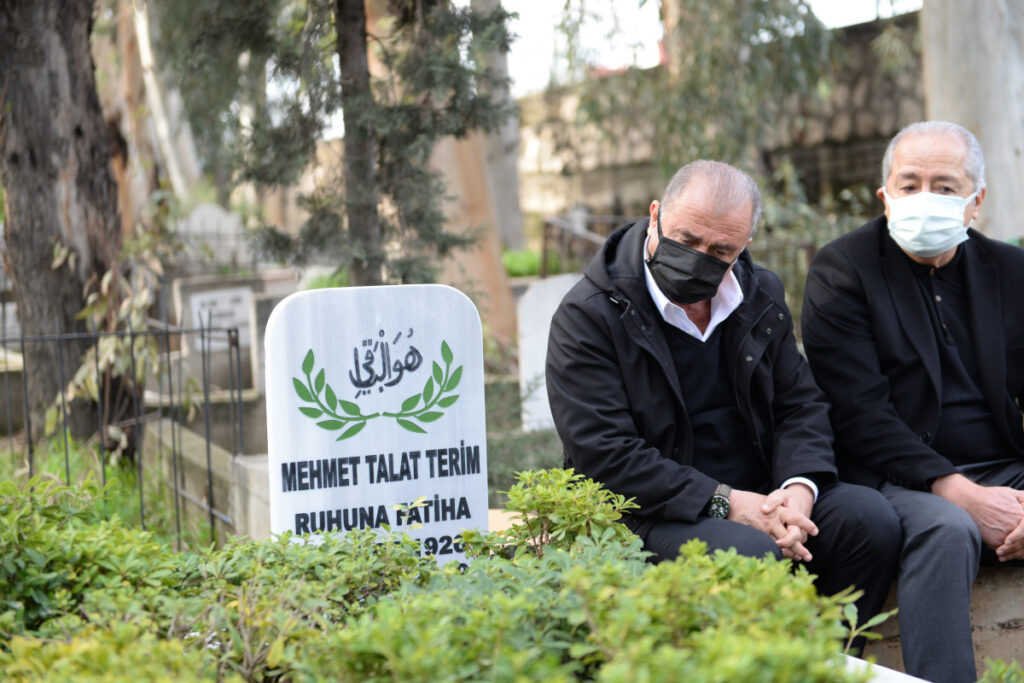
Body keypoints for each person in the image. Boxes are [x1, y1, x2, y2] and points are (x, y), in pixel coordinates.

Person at [546, 159, 900, 631]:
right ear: (654, 216)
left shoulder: (759, 294)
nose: (698, 257)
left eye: (720, 250)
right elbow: (606, 455)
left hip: (762, 490)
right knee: (747, 552)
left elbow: (800, 404)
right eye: (686, 240)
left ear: (744, 246)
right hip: (651, 510)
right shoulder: (589, 317)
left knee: (869, 521)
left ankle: (825, 661)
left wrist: (798, 491)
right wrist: (729, 503)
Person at [802, 120, 1024, 683]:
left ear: (976, 202)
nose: (926, 197)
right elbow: (859, 413)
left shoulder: (1012, 271)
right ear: (885, 196)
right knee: (948, 530)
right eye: (909, 183)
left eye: (945, 186)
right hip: (893, 476)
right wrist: (964, 496)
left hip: (1003, 464)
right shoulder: (842, 271)